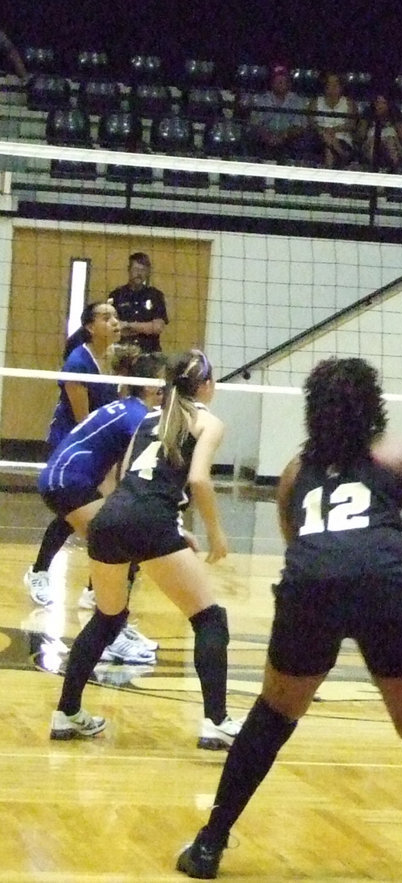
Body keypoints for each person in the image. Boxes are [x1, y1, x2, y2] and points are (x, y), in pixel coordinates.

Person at [176, 357, 402, 882]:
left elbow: (296, 541)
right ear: (373, 404)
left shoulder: (295, 472)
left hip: (309, 588)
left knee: (273, 716)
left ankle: (209, 845)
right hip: (381, 588)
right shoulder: (399, 454)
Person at [48, 350, 241, 750]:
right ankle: (217, 722)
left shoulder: (149, 417)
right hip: (148, 523)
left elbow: (123, 478)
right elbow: (200, 481)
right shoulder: (207, 422)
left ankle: (66, 712)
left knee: (107, 618)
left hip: (110, 520)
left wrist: (168, 528)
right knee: (210, 620)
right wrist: (216, 535)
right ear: (206, 385)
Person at [37, 351, 168, 662]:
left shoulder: (128, 409)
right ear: (151, 386)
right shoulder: (138, 418)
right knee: (120, 549)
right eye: (165, 380)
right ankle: (111, 634)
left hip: (69, 480)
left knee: (121, 547)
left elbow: (111, 473)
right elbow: (125, 475)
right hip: (68, 482)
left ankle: (113, 624)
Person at [26, 302, 122, 606]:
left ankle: (93, 589)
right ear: (90, 327)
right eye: (107, 318)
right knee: (79, 513)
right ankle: (42, 573)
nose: (115, 323)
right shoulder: (78, 362)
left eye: (117, 317)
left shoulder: (113, 358)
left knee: (95, 514)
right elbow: (84, 422)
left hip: (99, 444)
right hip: (72, 445)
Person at [248, 64, 316, 162]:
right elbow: (255, 122)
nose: (279, 83)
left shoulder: (297, 100)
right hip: (265, 137)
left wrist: (284, 136)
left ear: (288, 83)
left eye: (282, 81)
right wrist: (266, 136)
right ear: (272, 83)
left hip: (289, 138)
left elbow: (300, 126)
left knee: (303, 140)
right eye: (277, 81)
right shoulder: (262, 99)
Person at [107, 252, 169, 352]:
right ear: (129, 270)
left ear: (148, 272)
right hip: (122, 354)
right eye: (136, 269)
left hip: (149, 354)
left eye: (143, 270)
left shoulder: (156, 295)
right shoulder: (116, 295)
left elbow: (157, 327)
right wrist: (145, 327)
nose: (139, 274)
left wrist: (128, 326)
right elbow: (113, 327)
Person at [312, 71, 358, 168]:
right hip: (319, 137)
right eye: (329, 84)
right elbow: (311, 123)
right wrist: (323, 131)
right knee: (326, 140)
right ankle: (343, 154)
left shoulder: (349, 103)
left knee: (328, 147)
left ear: (341, 86)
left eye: (335, 84)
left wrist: (333, 130)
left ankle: (328, 177)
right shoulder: (315, 102)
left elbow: (352, 125)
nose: (332, 87)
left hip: (342, 139)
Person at [361, 93, 402, 172]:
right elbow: (361, 134)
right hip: (371, 143)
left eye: (383, 103)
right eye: (377, 103)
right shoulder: (368, 113)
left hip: (393, 143)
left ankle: (395, 169)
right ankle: (373, 169)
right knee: (373, 142)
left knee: (390, 141)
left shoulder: (395, 114)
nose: (380, 106)